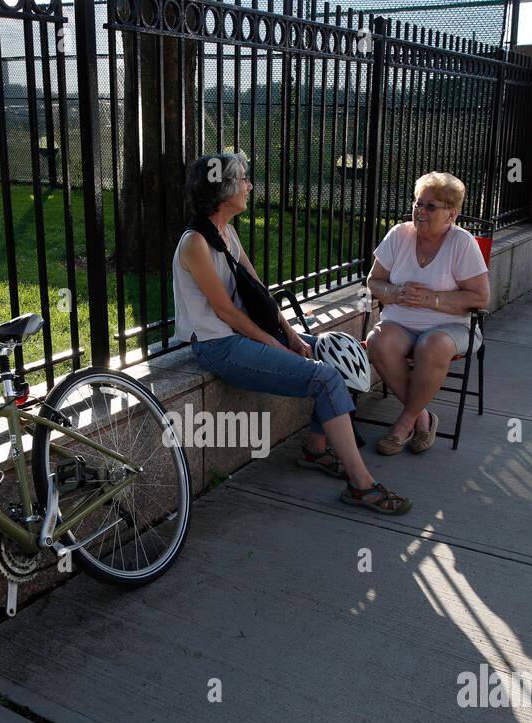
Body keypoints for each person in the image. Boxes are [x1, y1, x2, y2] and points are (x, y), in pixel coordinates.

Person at [173, 152, 411, 515]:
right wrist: (275, 345)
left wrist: (292, 334)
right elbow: (226, 313)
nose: (250, 186)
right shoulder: (195, 242)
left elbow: (257, 291)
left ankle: (316, 448)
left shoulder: (227, 232)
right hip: (217, 345)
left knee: (338, 355)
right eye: (243, 180)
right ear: (223, 190)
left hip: (245, 335)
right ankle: (362, 485)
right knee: (326, 377)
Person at [365, 172, 489, 454]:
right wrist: (395, 294)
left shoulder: (462, 243)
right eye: (418, 203)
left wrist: (432, 299)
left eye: (430, 206)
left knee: (431, 346)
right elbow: (373, 281)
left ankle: (403, 424)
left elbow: (480, 297)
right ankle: (424, 418)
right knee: (378, 342)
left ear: (451, 215)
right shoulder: (399, 235)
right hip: (400, 322)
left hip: (450, 327)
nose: (420, 211)